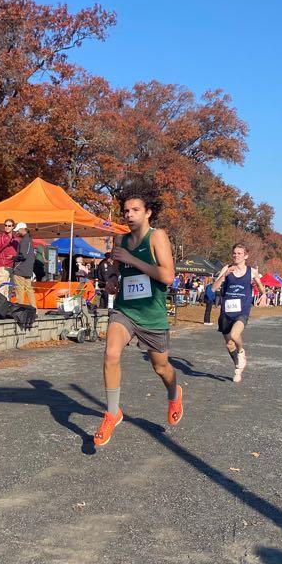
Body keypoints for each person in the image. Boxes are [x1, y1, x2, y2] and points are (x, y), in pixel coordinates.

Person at [94, 180, 182, 447]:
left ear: (148, 212)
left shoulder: (157, 237)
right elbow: (115, 270)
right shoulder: (120, 239)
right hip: (125, 310)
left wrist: (133, 259)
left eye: (135, 210)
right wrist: (111, 279)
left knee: (161, 367)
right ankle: (112, 413)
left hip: (152, 315)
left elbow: (167, 276)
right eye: (126, 210)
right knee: (111, 354)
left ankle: (174, 393)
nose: (129, 215)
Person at [211, 243, 266, 383]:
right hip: (226, 312)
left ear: (246, 256)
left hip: (242, 310)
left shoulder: (252, 271)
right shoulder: (226, 268)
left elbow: (260, 286)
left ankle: (241, 351)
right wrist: (224, 276)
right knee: (229, 344)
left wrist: (264, 295)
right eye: (234, 253)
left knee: (235, 335)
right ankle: (238, 366)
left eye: (239, 253)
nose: (236, 255)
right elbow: (213, 288)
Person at [11, 222, 36, 308]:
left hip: (20, 269)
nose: (17, 232)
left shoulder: (24, 240)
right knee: (29, 290)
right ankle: (34, 308)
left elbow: (23, 256)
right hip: (28, 269)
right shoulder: (29, 239)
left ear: (22, 229)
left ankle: (20, 310)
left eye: (18, 230)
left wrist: (13, 257)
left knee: (19, 291)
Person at [0, 219, 18, 285]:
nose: (7, 227)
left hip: (13, 267)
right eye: (5, 225)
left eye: (9, 226)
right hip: (3, 267)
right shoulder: (1, 238)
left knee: (10, 289)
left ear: (13, 227)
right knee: (2, 289)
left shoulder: (14, 238)